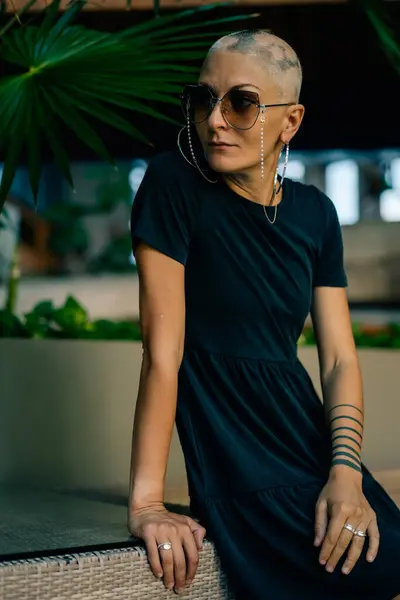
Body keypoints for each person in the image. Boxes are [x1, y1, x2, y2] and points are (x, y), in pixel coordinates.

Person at [128, 29, 400, 599]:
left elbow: (338, 361)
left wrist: (346, 474)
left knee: (385, 546)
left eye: (242, 103)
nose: (215, 120)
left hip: (307, 439)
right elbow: (163, 352)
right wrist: (148, 503)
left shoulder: (316, 215)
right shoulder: (172, 184)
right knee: (350, 568)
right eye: (203, 100)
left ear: (291, 121)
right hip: (232, 447)